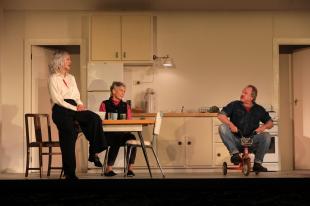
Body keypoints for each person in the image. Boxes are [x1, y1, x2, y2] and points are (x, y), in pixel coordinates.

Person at [48, 50, 107, 180]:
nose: (70, 61)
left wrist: (80, 105)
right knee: (69, 136)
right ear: (60, 61)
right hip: (60, 110)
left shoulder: (71, 77)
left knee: (94, 118)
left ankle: (93, 153)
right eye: (68, 59)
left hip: (74, 107)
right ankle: (70, 173)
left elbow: (76, 96)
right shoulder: (53, 78)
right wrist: (75, 107)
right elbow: (57, 100)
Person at [217, 85, 273, 172]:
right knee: (222, 127)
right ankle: (235, 154)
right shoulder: (234, 105)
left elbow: (270, 123)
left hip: (252, 141)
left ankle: (257, 164)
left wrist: (264, 127)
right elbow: (220, 115)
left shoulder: (259, 109)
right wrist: (230, 124)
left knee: (266, 136)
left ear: (251, 97)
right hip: (236, 140)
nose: (242, 94)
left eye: (245, 93)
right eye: (242, 92)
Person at [99, 81, 136, 177]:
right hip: (108, 135)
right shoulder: (104, 104)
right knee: (116, 137)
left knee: (132, 138)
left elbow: (129, 121)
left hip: (122, 134)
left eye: (124, 91)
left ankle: (130, 169)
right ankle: (109, 169)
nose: (123, 93)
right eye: (121, 90)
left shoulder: (126, 105)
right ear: (113, 91)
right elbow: (101, 121)